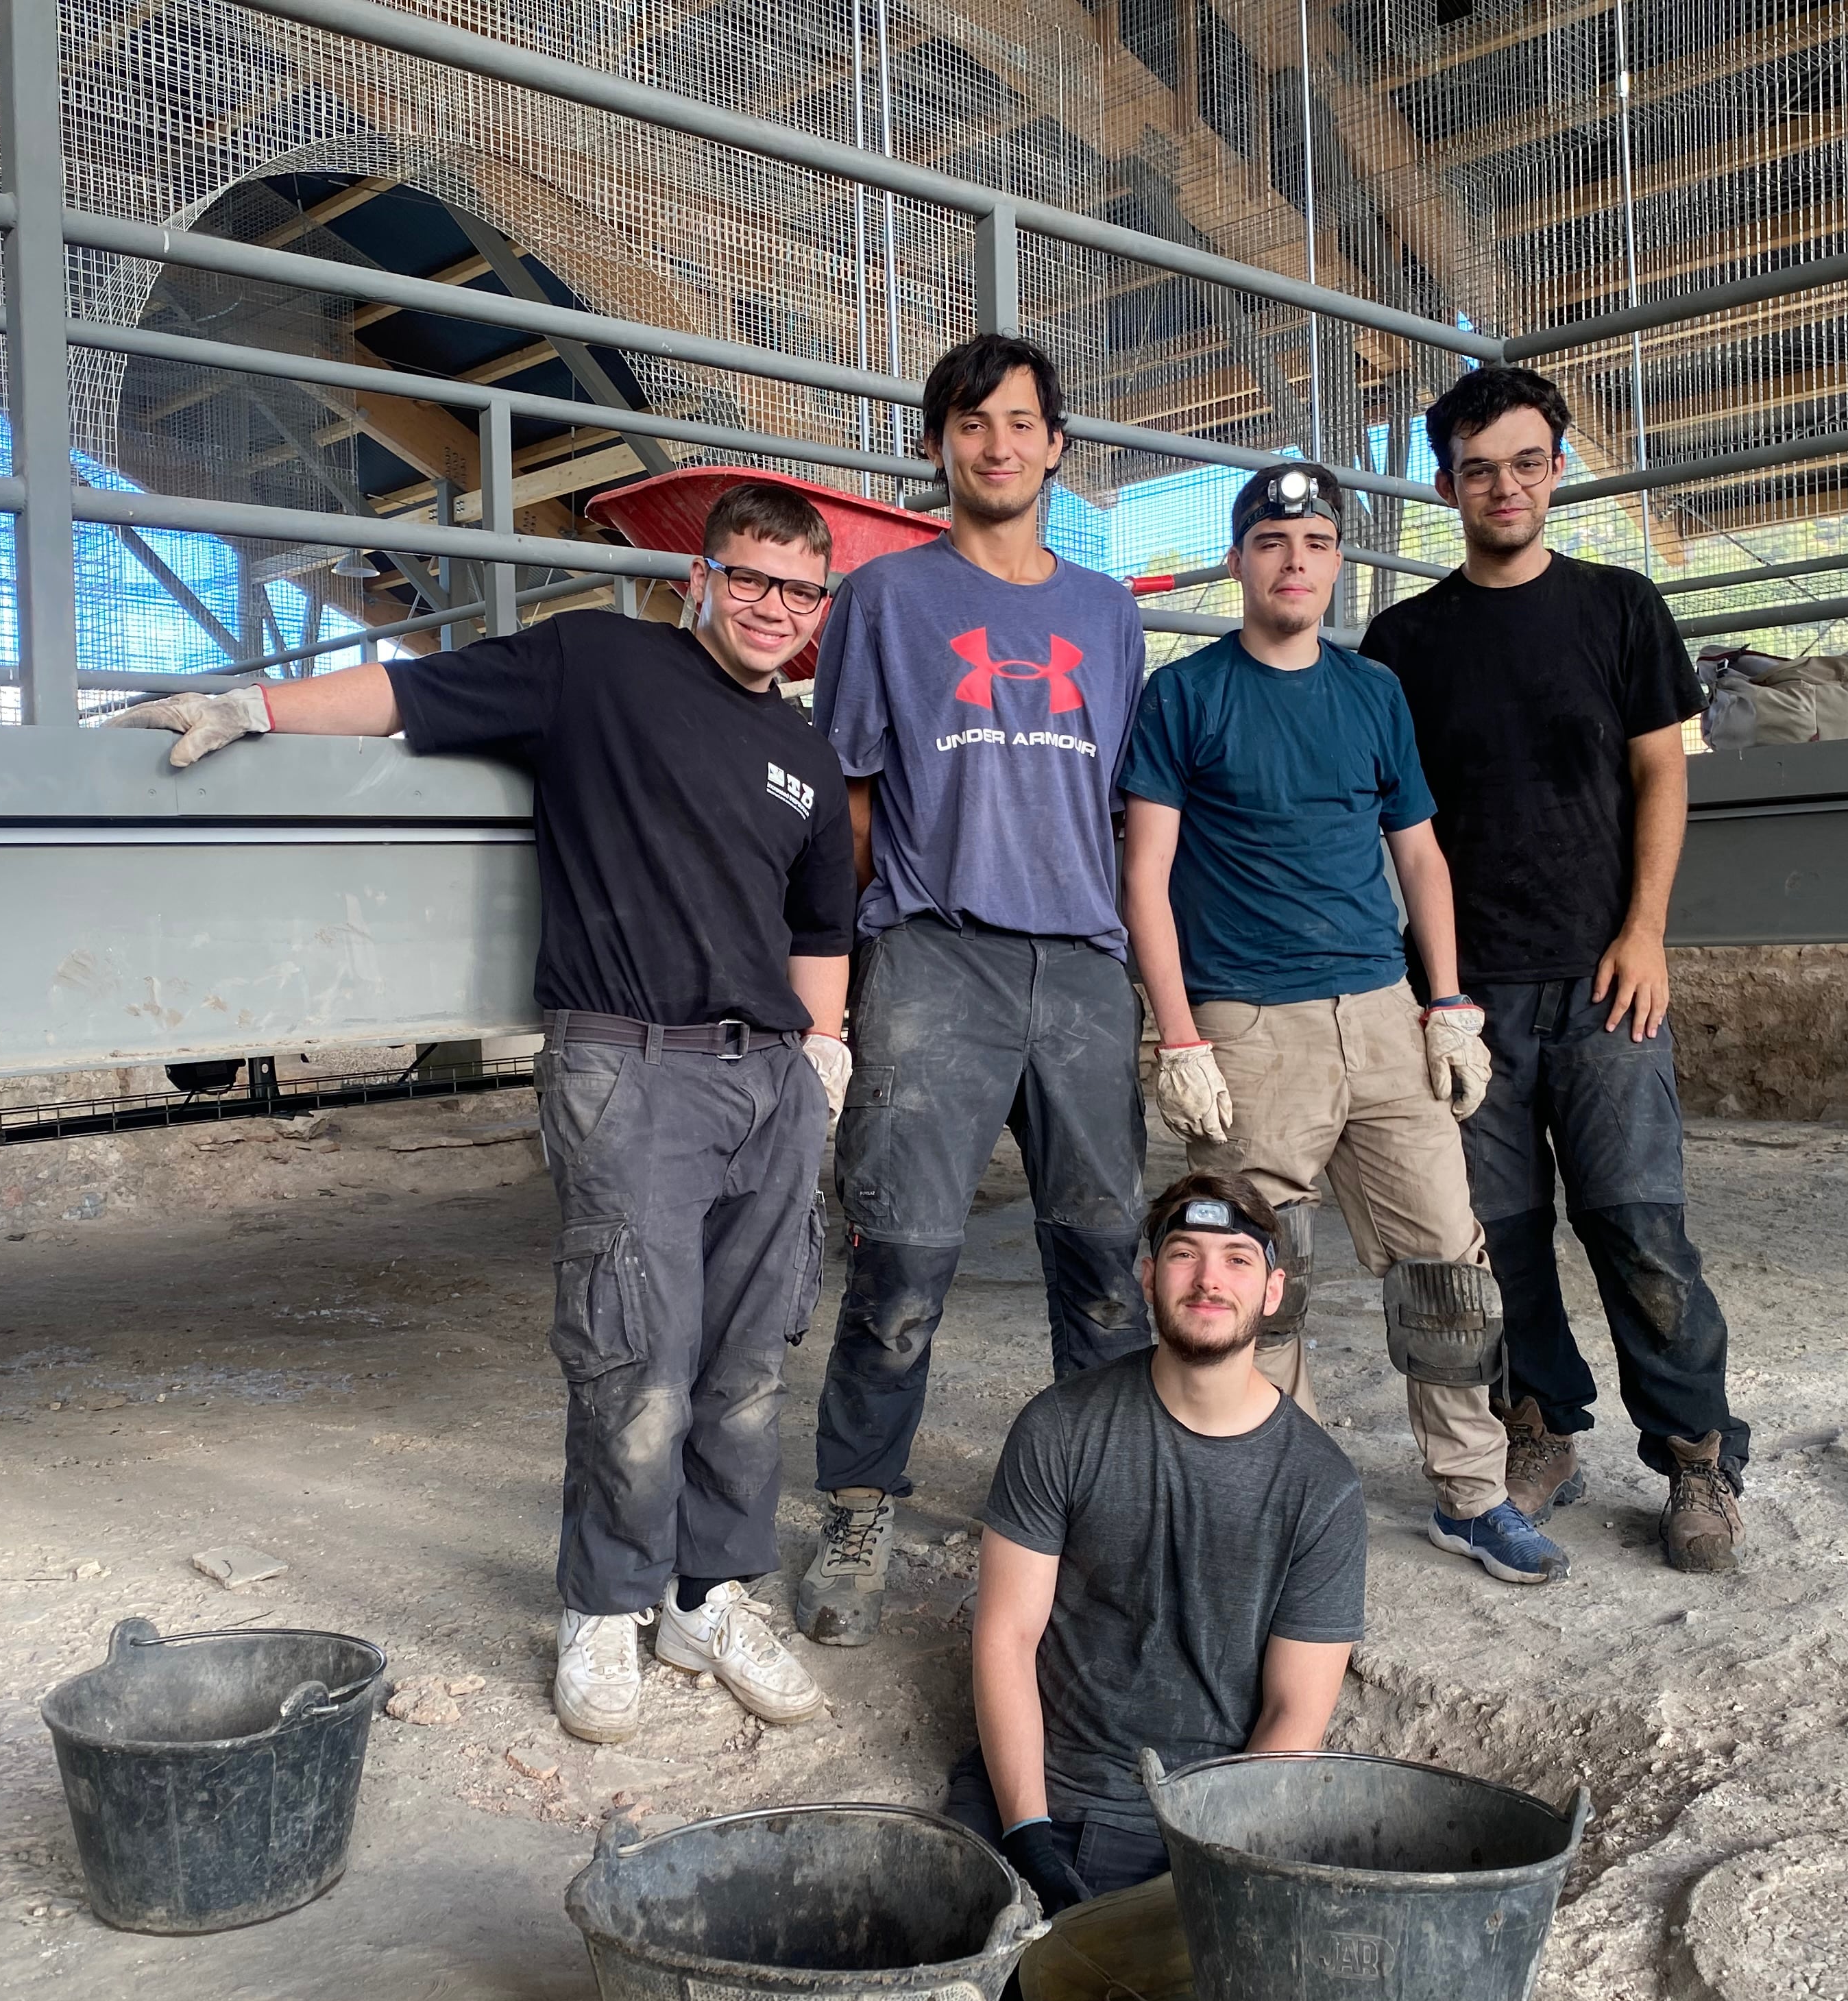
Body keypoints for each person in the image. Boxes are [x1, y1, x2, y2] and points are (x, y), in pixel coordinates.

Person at [107, 480, 859, 1732]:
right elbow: (410, 694)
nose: (773, 606)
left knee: (745, 1365)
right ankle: (607, 1603)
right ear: (700, 581)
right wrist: (256, 705)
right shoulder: (597, 668)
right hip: (629, 1064)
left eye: (799, 589)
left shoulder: (804, 753)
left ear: (819, 606)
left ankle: (710, 1592)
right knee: (636, 1356)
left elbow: (821, 922)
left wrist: (821, 1053)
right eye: (750, 578)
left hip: (770, 1081)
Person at [1119, 463, 1565, 1586]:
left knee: (1445, 1259)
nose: (1295, 562)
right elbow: (1147, 872)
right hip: (1249, 1019)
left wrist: (1448, 1000)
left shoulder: (1371, 693)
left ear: (1336, 562)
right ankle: (1285, 1488)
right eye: (1272, 541)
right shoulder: (1185, 695)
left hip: (1379, 1010)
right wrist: (1176, 1033)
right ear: (1237, 560)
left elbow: (1417, 849)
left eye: (1316, 541)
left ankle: (1469, 1490)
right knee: (1255, 1267)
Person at [1361, 365, 1751, 1574]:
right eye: (1478, 468)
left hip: (1602, 982)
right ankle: (1541, 1424)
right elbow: (1391, 824)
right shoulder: (1402, 642)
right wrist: (1428, 989)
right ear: (1446, 485)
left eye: (1525, 462)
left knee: (1637, 1228)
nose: (1504, 485)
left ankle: (1695, 1454)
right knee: (1498, 1241)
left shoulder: (1622, 608)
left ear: (1557, 468)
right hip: (1465, 996)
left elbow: (1662, 775)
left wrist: (1645, 930)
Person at [797, 332, 1156, 1646]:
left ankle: (1109, 1499)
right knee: (899, 1257)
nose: (996, 444)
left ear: (1057, 446)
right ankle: (857, 1497)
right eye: (970, 422)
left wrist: (1147, 985)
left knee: (1104, 1257)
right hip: (931, 951)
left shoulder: (1109, 616)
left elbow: (1130, 809)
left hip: (1080, 961)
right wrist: (837, 983)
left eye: (1020, 422)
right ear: (937, 443)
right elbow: (845, 802)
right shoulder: (887, 600)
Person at [946, 1172, 1364, 1911]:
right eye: (1184, 1255)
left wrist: (1211, 1868)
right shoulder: (1060, 1428)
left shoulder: (1320, 1486)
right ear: (1147, 1278)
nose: (1209, 1280)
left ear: (1273, 1291)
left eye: (1237, 1259)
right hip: (1039, 1794)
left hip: (1196, 1822)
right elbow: (1005, 1637)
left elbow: (1295, 1714)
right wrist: (1030, 1836)